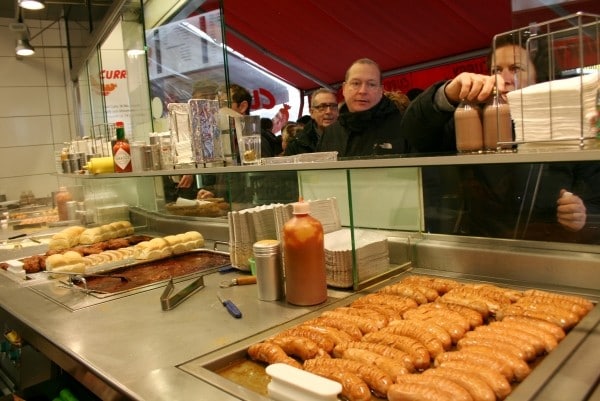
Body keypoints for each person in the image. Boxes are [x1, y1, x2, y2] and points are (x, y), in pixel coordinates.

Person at [403, 33, 599, 242]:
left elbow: (594, 196)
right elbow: (414, 132)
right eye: (496, 70)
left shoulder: (569, 125)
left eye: (515, 69)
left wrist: (583, 215)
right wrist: (447, 94)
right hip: (485, 246)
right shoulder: (473, 119)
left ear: (539, 77)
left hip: (550, 249)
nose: (502, 78)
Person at [317, 58, 408, 158]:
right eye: (356, 83)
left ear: (380, 90)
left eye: (371, 84)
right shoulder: (330, 133)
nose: (363, 91)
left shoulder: (403, 127)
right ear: (344, 89)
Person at [284, 88, 339, 155]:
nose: (329, 111)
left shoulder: (350, 138)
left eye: (333, 106)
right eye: (322, 107)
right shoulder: (297, 144)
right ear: (312, 112)